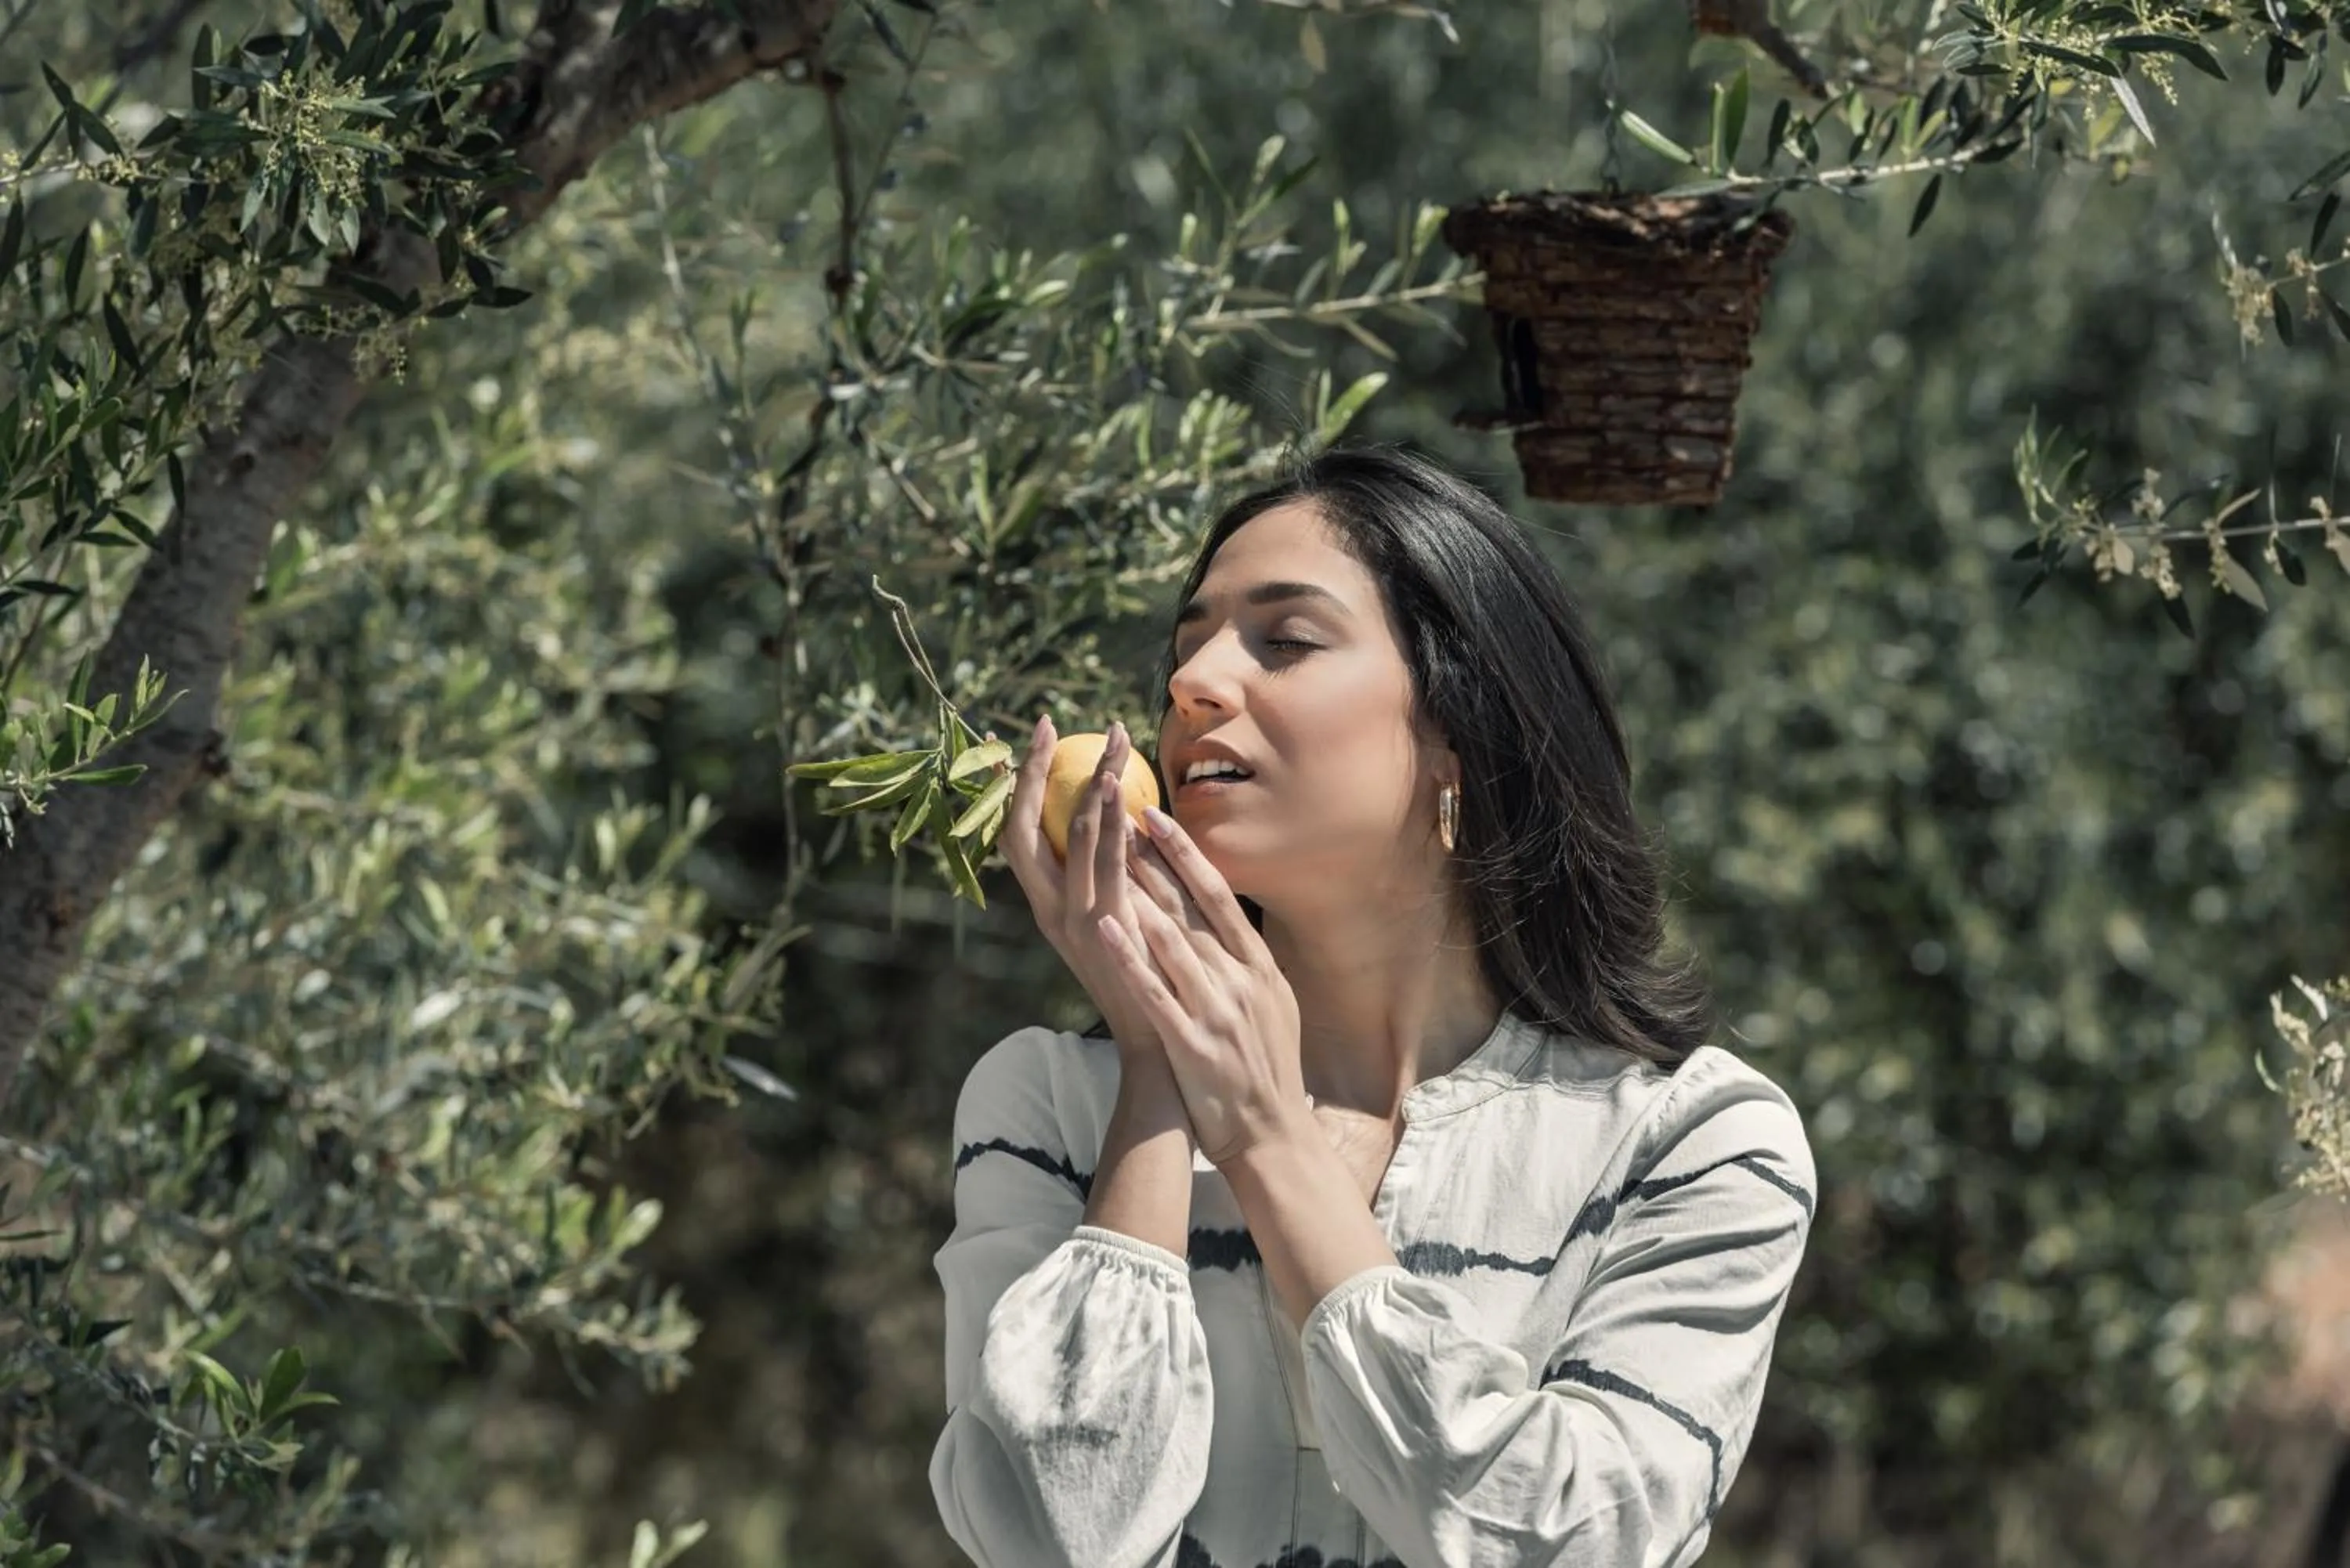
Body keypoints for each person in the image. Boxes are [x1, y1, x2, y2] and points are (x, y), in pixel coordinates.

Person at [927, 445, 1814, 1568]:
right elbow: (1054, 1538)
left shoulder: (1689, 1144)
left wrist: (1261, 1134)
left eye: (1285, 640)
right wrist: (1157, 1065)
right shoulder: (1047, 1104)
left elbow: (1569, 1543)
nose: (1193, 682)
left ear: (1457, 729)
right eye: (1186, 643)